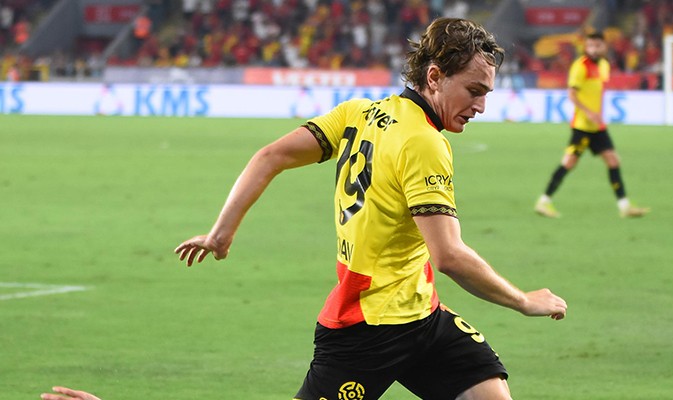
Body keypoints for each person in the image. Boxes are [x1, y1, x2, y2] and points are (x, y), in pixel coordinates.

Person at [44, 18, 567, 400]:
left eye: (486, 93)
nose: (481, 106)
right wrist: (523, 300)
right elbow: (448, 255)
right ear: (434, 77)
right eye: (473, 90)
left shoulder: (361, 113)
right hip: (365, 329)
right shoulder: (424, 142)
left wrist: (221, 233)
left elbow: (269, 155)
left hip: (423, 317)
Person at [534, 32, 649, 219]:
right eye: (590, 46)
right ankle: (544, 201)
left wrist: (598, 114)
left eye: (597, 46)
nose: (593, 49)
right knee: (569, 163)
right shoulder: (580, 66)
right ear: (585, 47)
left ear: (604, 46)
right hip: (582, 127)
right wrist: (588, 112)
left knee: (613, 161)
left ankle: (625, 206)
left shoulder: (604, 65)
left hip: (597, 127)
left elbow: (597, 92)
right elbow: (572, 94)